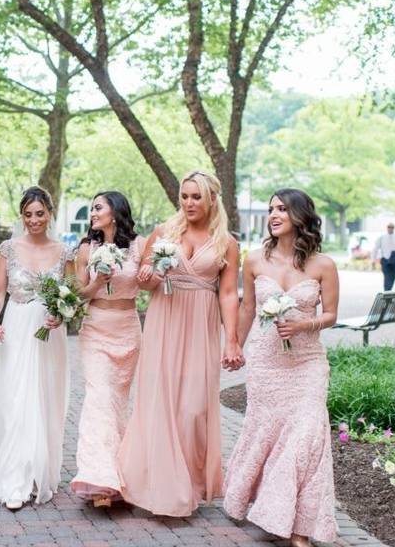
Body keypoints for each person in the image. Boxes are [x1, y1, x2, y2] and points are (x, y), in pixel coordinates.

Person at [117, 170, 242, 517]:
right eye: (184, 196)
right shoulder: (164, 232)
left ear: (212, 199)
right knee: (161, 403)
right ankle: (166, 490)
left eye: (196, 197)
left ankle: (188, 482)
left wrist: (232, 340)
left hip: (201, 325)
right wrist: (151, 275)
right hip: (165, 321)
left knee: (193, 408)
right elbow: (145, 281)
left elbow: (229, 294)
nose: (188, 203)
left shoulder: (226, 243)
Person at [223, 188, 340, 547]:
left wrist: (303, 325)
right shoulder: (255, 260)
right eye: (271, 209)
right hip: (266, 362)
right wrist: (234, 345)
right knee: (266, 432)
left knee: (307, 435)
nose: (274, 215)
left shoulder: (324, 265)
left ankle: (301, 526)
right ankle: (269, 507)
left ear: (300, 217)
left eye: (282, 210)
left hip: (307, 363)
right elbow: (246, 308)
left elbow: (331, 316)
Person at [0, 186, 73, 510]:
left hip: (48, 333)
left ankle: (38, 469)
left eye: (39, 213)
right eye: (28, 214)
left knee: (44, 399)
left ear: (50, 213)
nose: (33, 220)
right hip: (16, 327)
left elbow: (70, 294)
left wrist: (62, 313)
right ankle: (15, 478)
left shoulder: (63, 252)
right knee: (16, 399)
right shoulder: (8, 249)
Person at [69, 191, 143, 508]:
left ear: (115, 212)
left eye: (98, 207)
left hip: (127, 327)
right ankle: (99, 479)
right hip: (96, 327)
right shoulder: (87, 248)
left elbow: (149, 283)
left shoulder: (139, 246)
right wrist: (99, 281)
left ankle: (121, 474)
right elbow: (78, 295)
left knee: (117, 403)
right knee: (99, 399)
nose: (93, 213)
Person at [371, 222, 395, 290]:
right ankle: (387, 294)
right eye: (389, 227)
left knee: (393, 276)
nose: (390, 228)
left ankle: (388, 291)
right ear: (387, 228)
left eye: (392, 227)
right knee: (387, 277)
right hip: (385, 260)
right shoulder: (382, 238)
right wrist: (373, 260)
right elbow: (375, 249)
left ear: (394, 228)